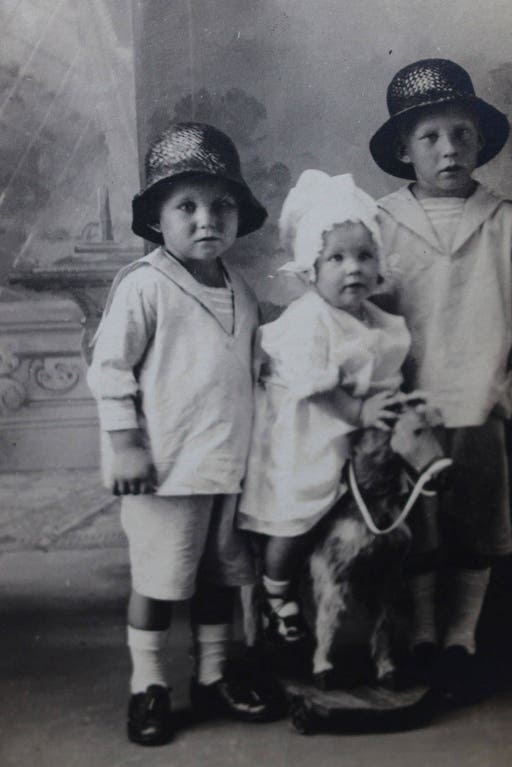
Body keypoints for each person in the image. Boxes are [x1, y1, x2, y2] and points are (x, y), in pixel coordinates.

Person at [87, 122, 275, 746]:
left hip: (227, 465)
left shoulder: (240, 290)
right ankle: (148, 684)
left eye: (221, 205)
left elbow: (250, 366)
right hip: (164, 469)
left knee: (220, 578)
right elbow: (110, 367)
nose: (206, 220)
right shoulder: (145, 285)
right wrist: (125, 442)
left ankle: (214, 675)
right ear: (157, 220)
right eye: (186, 206)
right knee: (160, 580)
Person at [369, 59, 512, 702]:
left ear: (479, 141)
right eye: (430, 137)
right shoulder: (383, 220)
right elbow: (363, 306)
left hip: (478, 399)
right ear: (403, 148)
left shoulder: (501, 218)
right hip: (411, 404)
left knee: (476, 526)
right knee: (419, 527)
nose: (448, 149)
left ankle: (460, 640)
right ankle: (419, 634)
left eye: (461, 135)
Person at [237, 169, 412, 646]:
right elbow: (315, 388)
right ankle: (277, 598)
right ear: (311, 271)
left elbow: (383, 379)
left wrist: (383, 411)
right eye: (335, 258)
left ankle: (360, 617)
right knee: (292, 518)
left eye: (363, 256)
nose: (352, 268)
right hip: (304, 434)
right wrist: (358, 413)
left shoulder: (377, 321)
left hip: (347, 435)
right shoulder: (308, 320)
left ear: (378, 264)